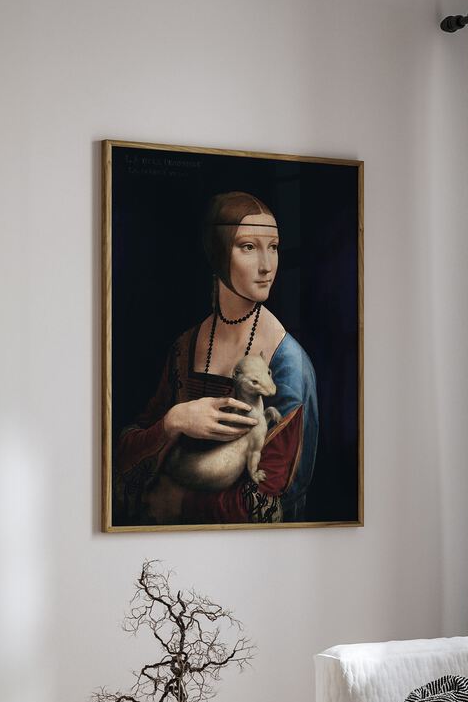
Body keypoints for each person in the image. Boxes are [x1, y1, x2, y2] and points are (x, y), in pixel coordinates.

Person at [115, 191, 318, 525]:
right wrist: (173, 421)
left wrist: (175, 500)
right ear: (218, 251)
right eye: (249, 247)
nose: (267, 265)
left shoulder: (288, 365)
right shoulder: (185, 346)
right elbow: (124, 456)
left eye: (274, 247)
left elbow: (270, 497)